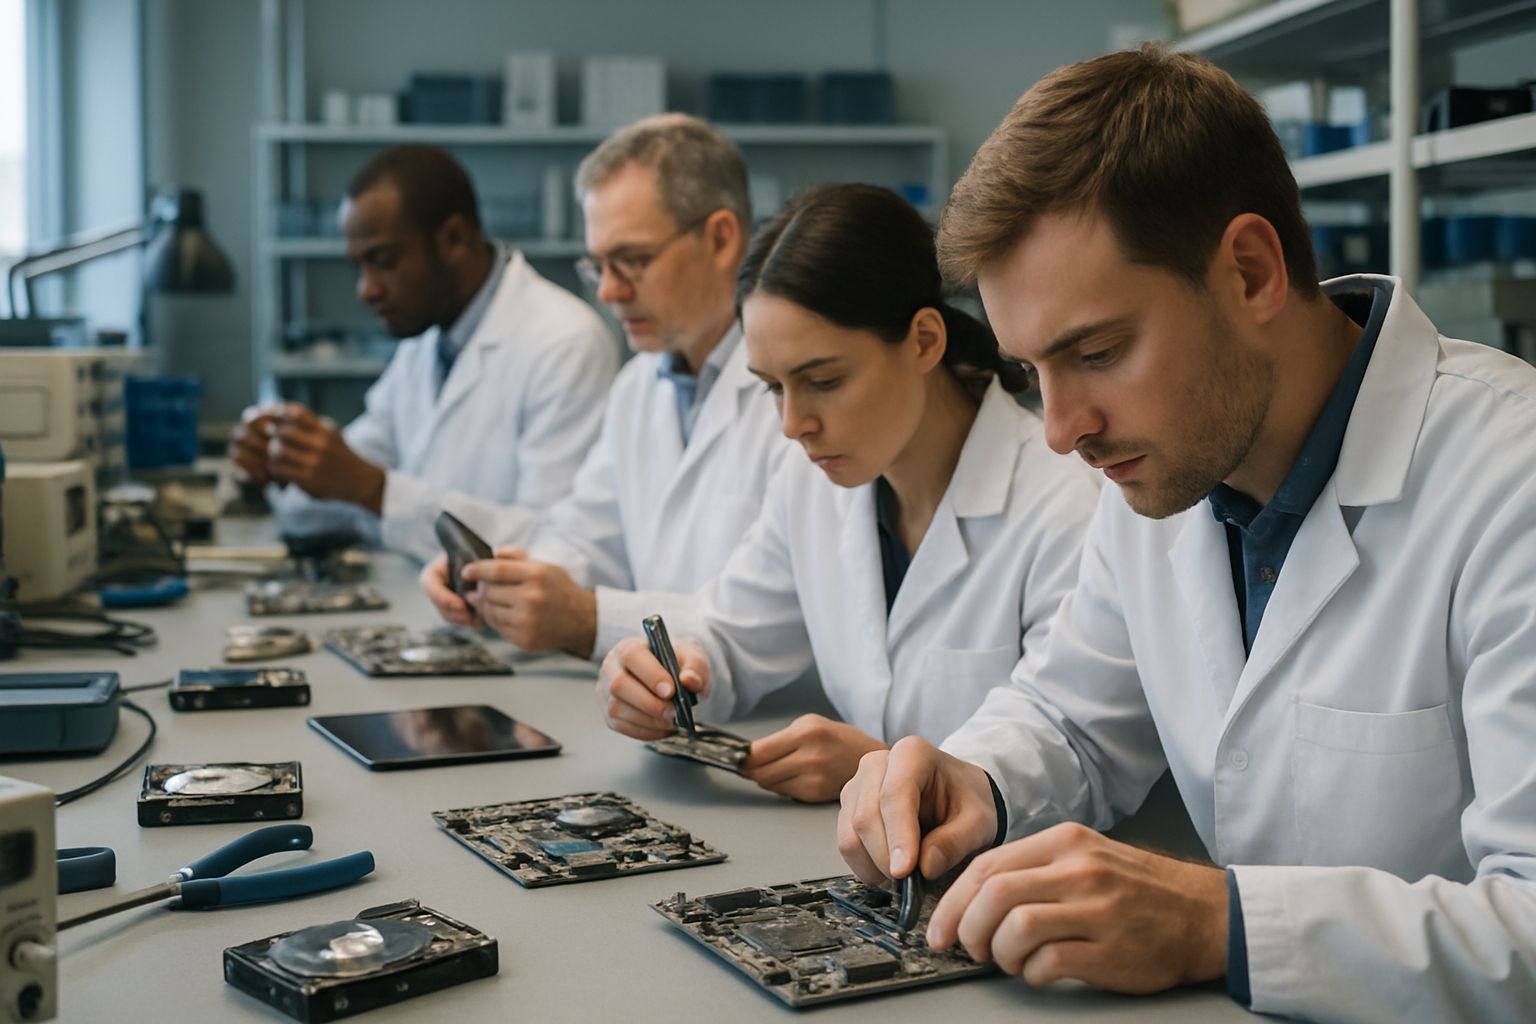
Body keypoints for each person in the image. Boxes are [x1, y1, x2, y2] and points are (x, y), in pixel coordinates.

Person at [836, 45, 1536, 1023]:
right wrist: (973, 776)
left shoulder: (1512, 480)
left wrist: (1226, 923)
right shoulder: (1163, 472)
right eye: (1035, 372)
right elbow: (1074, 716)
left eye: (1096, 352)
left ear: (1251, 271)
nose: (1061, 429)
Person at [596, 184, 1099, 803]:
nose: (793, 424)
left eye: (823, 380)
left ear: (923, 341)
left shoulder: (1065, 506)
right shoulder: (813, 484)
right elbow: (731, 637)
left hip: (1019, 877)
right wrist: (667, 678)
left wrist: (888, 769)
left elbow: (1074, 749)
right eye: (773, 388)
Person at [420, 115, 789, 661]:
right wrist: (506, 582)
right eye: (598, 266)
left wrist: (585, 619)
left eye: (633, 261)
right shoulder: (641, 383)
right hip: (662, 709)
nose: (610, 291)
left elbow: (767, 618)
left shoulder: (794, 393)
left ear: (721, 238)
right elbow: (585, 535)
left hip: (779, 724)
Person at [228, 144, 616, 561]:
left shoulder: (565, 342)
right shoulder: (425, 342)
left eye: (383, 261)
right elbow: (340, 486)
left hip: (502, 624)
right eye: (358, 267)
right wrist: (278, 464)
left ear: (452, 240)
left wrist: (375, 490)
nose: (366, 289)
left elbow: (557, 547)